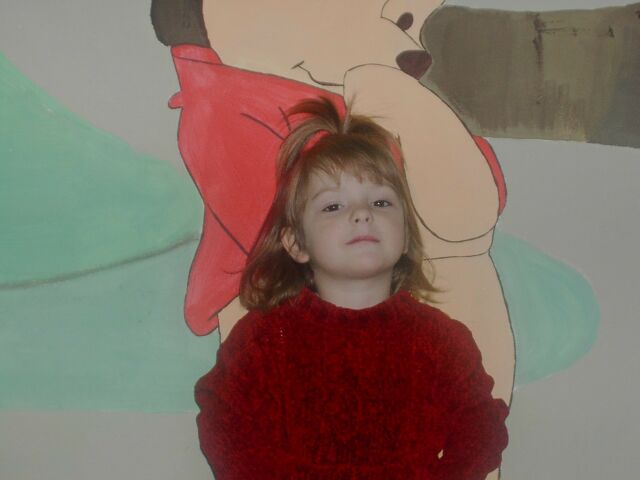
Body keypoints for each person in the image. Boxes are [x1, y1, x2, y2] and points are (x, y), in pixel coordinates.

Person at [195, 97, 509, 479]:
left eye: (380, 202)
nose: (362, 214)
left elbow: (482, 426)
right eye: (333, 206)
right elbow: (223, 418)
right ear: (295, 243)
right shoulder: (265, 340)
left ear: (406, 236)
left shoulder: (442, 342)